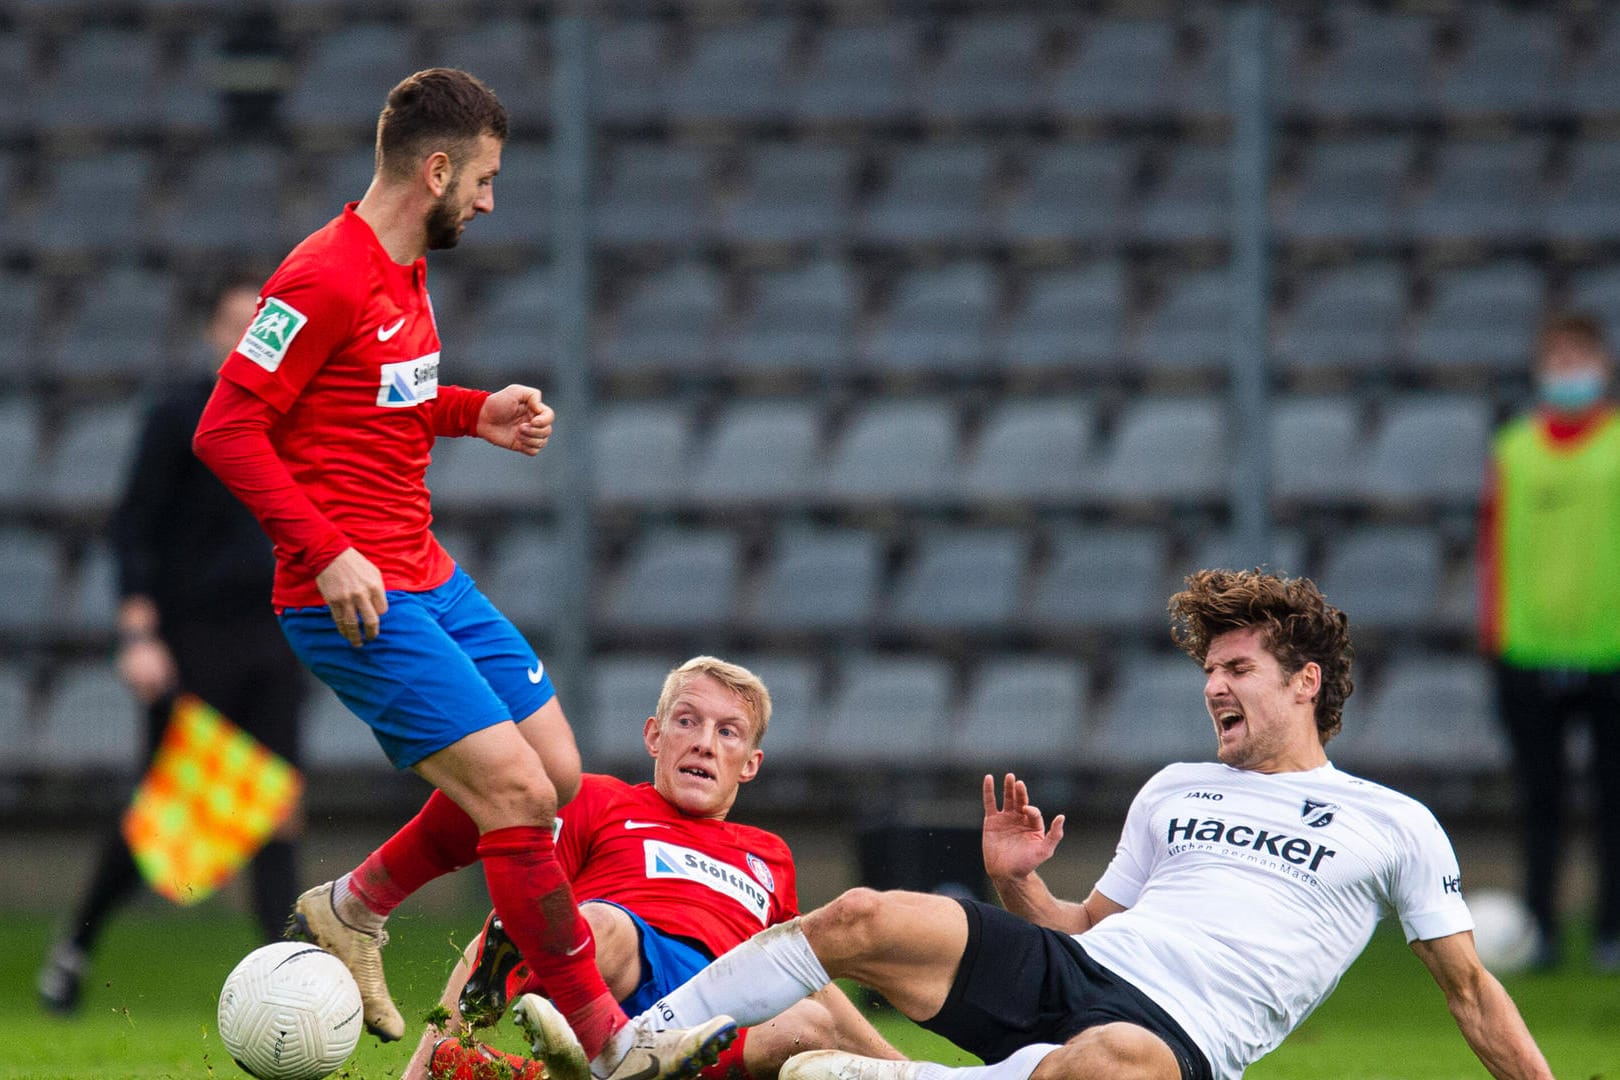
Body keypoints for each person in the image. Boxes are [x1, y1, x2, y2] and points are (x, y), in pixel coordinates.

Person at [191, 68, 733, 1080]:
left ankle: (352, 907)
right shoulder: (323, 274)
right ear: (436, 169)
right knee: (521, 799)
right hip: (348, 592)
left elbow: (380, 400)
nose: (487, 200)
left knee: (558, 775)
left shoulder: (404, 271)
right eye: (482, 179)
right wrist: (326, 547)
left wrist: (473, 411)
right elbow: (226, 428)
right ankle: (613, 1042)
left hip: (424, 569)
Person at [526, 570, 1555, 1080]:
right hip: (1088, 977)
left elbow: (1470, 994)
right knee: (866, 915)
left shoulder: (1396, 823)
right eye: (1208, 671)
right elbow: (1082, 935)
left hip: (1174, 1041)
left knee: (1112, 1059)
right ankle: (637, 1048)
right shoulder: (1177, 789)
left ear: (1306, 682)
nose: (1214, 688)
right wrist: (1020, 885)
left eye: (1237, 669)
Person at [411, 656, 897, 1080]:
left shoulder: (769, 854)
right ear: (654, 735)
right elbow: (519, 918)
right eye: (687, 722)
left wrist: (897, 1064)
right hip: (612, 986)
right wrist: (425, 1058)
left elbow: (800, 967)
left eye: (727, 732)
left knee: (805, 1026)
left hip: (718, 1005)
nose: (704, 743)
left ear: (750, 763)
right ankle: (604, 1053)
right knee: (602, 923)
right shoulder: (597, 799)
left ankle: (560, 1074)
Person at [37, 274, 307, 1014]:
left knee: (275, 808)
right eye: (233, 323)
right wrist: (139, 632)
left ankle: (283, 989)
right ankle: (75, 946)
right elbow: (133, 527)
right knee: (164, 814)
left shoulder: (293, 415)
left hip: (277, 632)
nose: (248, 337)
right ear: (211, 333)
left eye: (262, 326)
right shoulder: (178, 415)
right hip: (191, 639)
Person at [1479, 310, 1620, 971]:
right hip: (1527, 651)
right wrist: (1497, 637)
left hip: (1612, 650)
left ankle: (1610, 933)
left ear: (1603, 364)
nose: (1568, 371)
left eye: (1579, 357)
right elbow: (1491, 549)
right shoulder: (1514, 449)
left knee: (1615, 799)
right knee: (1539, 800)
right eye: (1557, 359)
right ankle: (1539, 931)